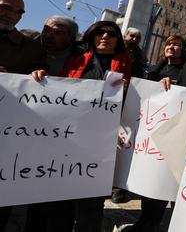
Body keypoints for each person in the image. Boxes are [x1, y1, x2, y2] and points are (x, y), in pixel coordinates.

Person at [32, 20, 131, 232]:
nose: (105, 37)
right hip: (68, 139)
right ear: (92, 36)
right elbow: (59, 92)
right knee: (61, 200)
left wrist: (133, 90)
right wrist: (40, 80)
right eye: (100, 33)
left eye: (111, 34)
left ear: (118, 40)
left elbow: (143, 94)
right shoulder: (75, 61)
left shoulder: (130, 65)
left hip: (102, 143)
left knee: (91, 204)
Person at [23, 15, 84, 232]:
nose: (49, 35)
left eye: (57, 32)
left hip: (65, 139)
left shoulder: (84, 59)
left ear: (71, 37)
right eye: (46, 30)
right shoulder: (28, 51)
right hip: (25, 133)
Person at [124, 35, 186, 232]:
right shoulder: (153, 70)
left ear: (183, 50)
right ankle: (147, 223)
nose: (172, 47)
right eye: (169, 44)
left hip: (177, 136)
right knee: (152, 185)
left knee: (170, 185)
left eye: (177, 44)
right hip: (150, 138)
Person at [0, 0, 46, 232]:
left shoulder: (31, 49)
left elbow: (40, 90)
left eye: (18, 12)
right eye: (6, 7)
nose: (12, 15)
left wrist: (34, 78)